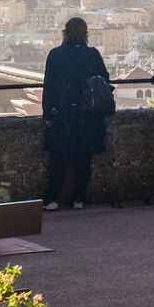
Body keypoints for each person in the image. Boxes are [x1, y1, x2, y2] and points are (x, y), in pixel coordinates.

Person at [42, 17, 109, 211]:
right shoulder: (92, 55)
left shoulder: (55, 55)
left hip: (62, 112)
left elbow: (49, 86)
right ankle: (79, 197)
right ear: (85, 34)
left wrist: (48, 113)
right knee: (83, 158)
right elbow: (104, 80)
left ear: (66, 33)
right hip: (87, 114)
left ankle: (52, 198)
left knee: (58, 158)